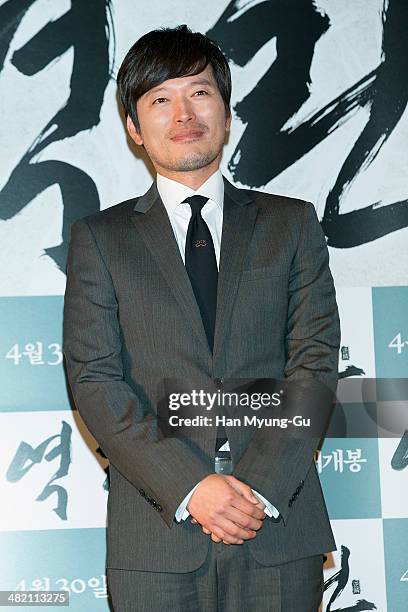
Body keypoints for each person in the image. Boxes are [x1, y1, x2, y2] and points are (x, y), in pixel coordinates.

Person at [63, 24, 340, 611]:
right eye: (161, 99)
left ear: (227, 110)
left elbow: (313, 363)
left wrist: (258, 488)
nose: (184, 112)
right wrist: (191, 487)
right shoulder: (100, 239)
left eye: (200, 92)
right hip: (157, 535)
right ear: (135, 129)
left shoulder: (291, 224)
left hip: (278, 526)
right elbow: (94, 379)